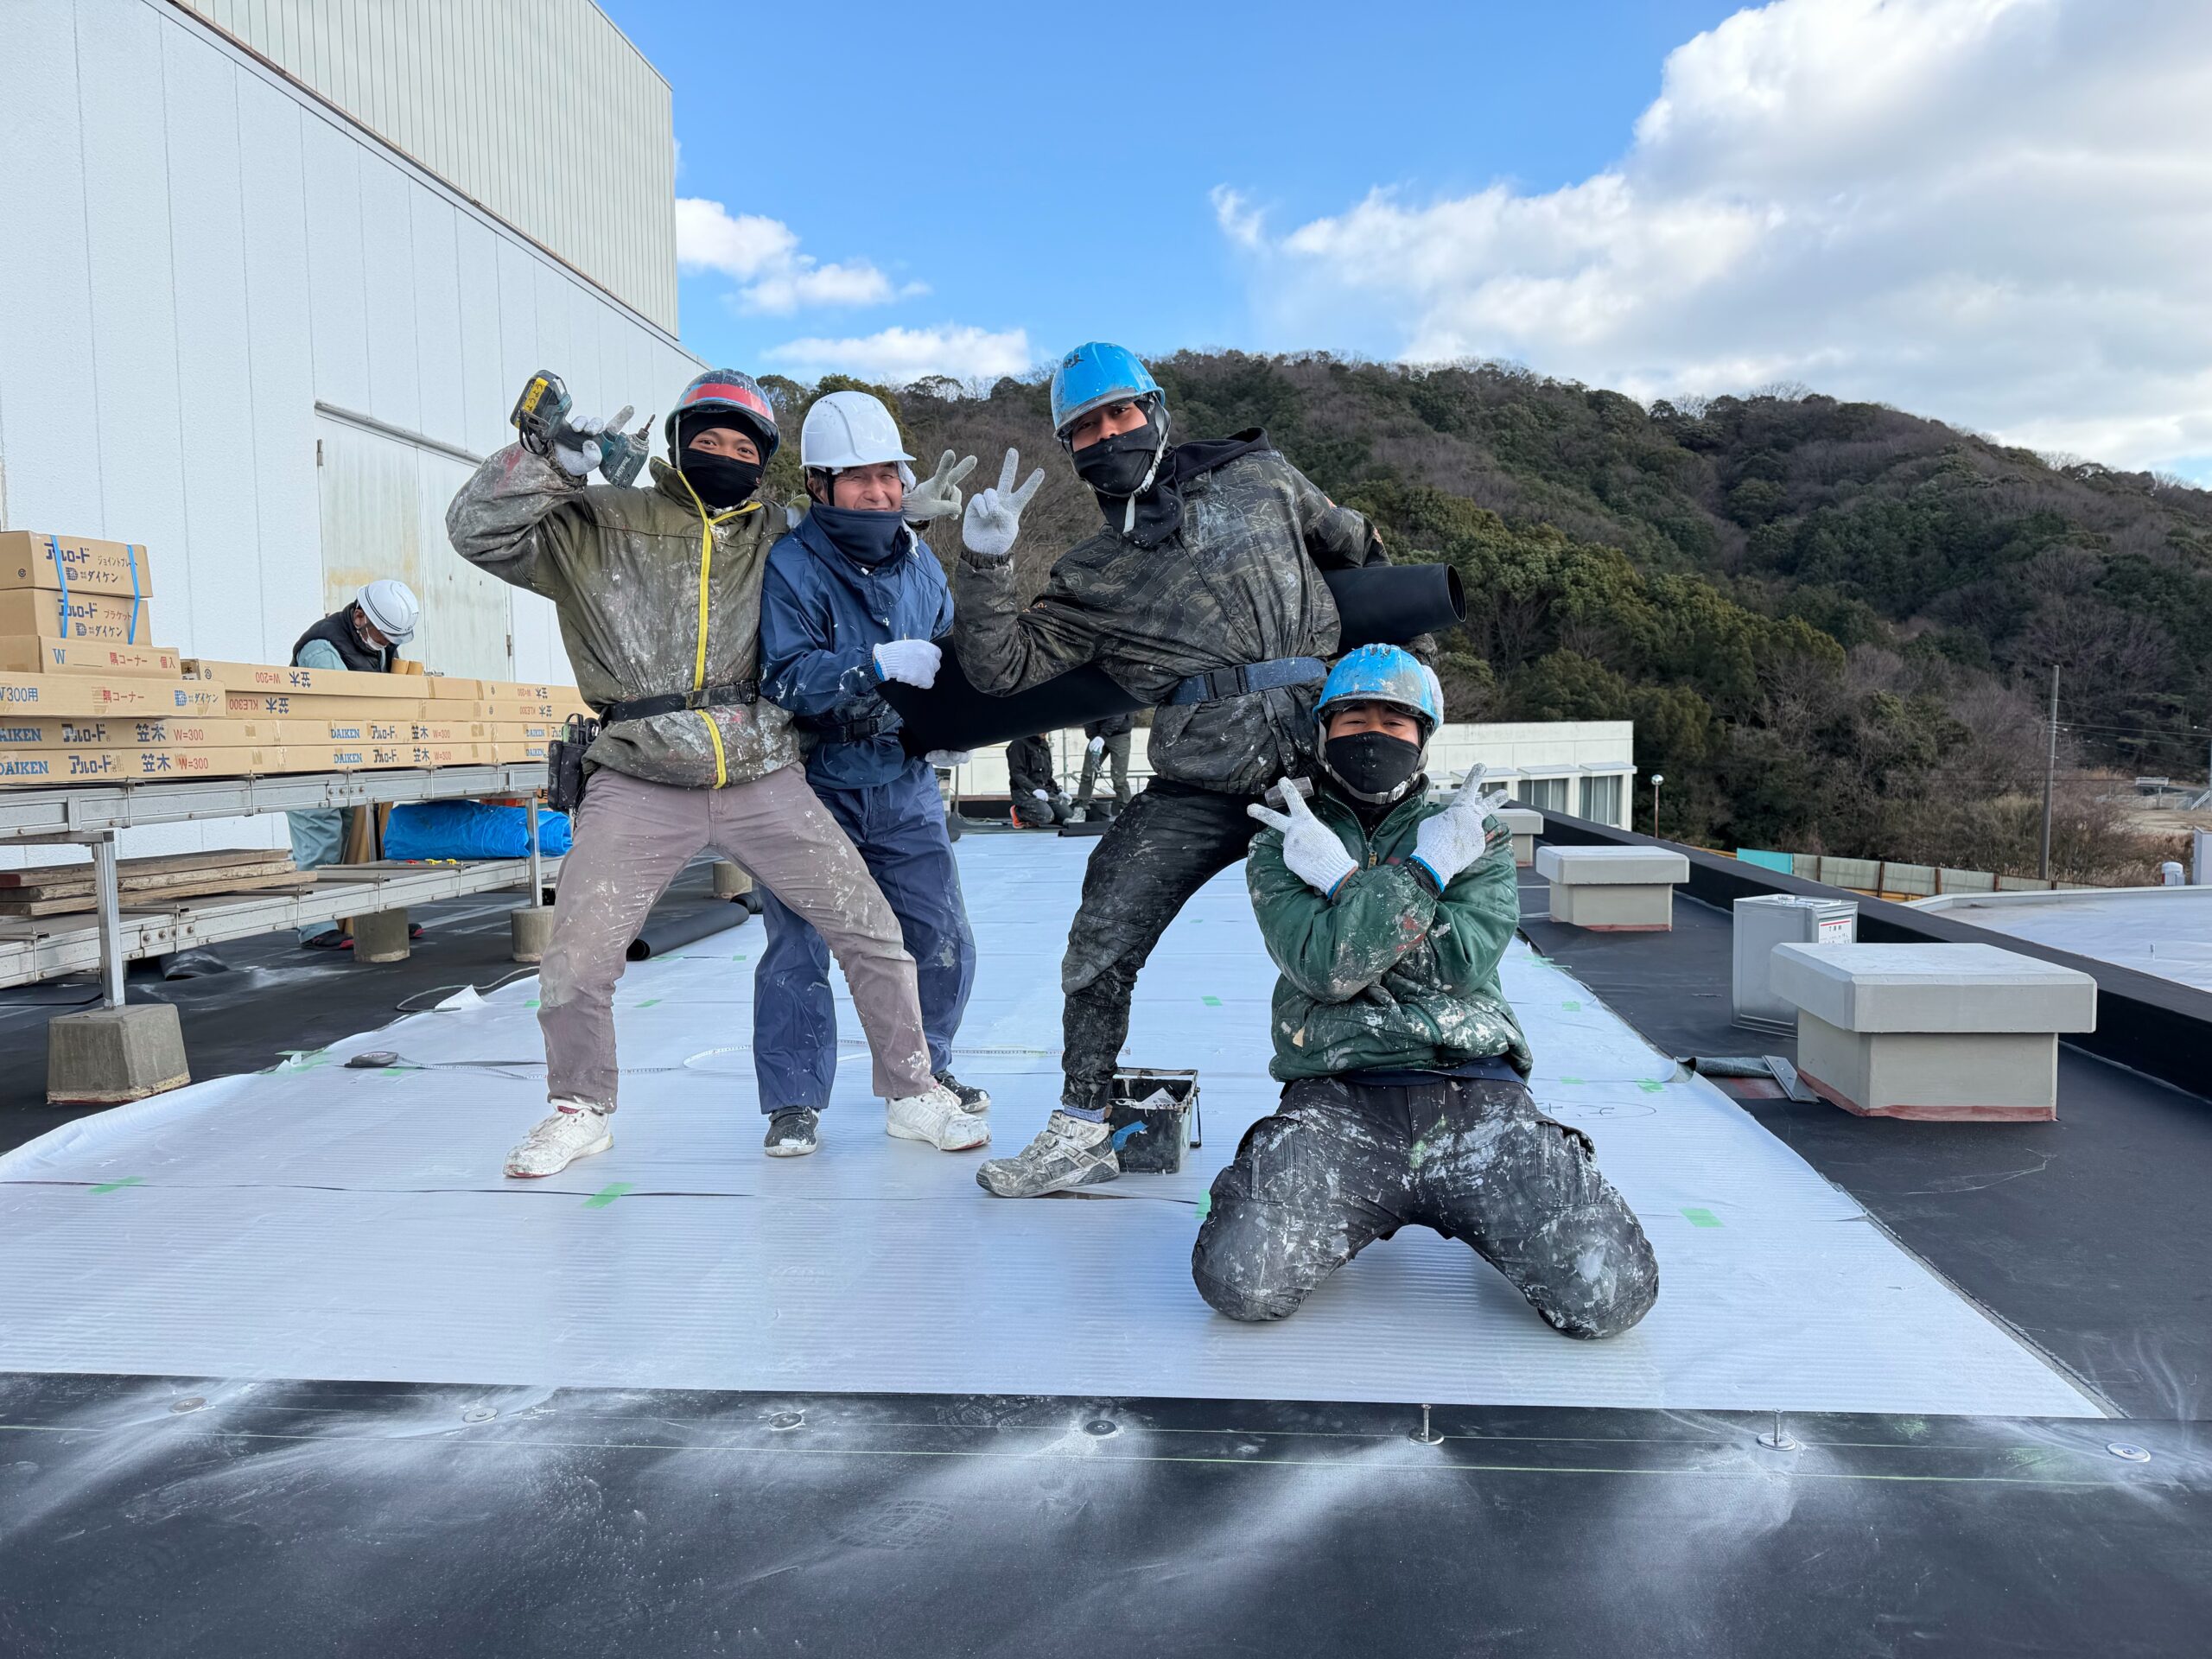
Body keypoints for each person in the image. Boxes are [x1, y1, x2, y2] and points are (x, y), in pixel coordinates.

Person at [448, 368, 978, 1178]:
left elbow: (845, 529)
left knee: (871, 931)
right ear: (678, 443)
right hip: (640, 767)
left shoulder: (772, 532)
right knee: (580, 954)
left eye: (742, 446)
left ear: (764, 462)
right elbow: (479, 533)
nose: (725, 455)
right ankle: (579, 1108)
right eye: (709, 440)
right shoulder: (600, 520)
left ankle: (913, 1090)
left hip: (760, 767)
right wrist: (545, 465)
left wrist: (905, 518)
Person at [951, 341, 1390, 1198]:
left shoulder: (1261, 478)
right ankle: (1083, 1125)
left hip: (1325, 766)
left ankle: (1404, 1106)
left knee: (1384, 924)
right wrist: (985, 565)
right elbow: (1000, 668)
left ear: (1154, 412)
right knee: (1102, 929)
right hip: (1201, 780)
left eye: (1120, 413)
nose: (1108, 435)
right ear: (1070, 448)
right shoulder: (1091, 573)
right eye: (1086, 428)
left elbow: (1354, 544)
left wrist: (1402, 680)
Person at [1193, 645, 1660, 1336]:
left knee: (1608, 1293)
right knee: (1240, 1278)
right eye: (1353, 719)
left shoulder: (1470, 832)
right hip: (1338, 1101)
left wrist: (1351, 885)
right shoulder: (1287, 837)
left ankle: (1499, 1199)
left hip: (1477, 1098)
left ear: (1422, 737)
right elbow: (1325, 969)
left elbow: (1458, 964)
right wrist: (1423, 883)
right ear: (1324, 730)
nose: (1372, 735)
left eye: (1394, 721)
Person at [753, 392, 989, 1158]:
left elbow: (950, 653)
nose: (880, 492)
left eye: (889, 475)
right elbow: (784, 676)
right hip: (811, 780)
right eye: (859, 478)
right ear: (819, 484)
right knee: (799, 946)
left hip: (902, 779)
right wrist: (872, 664)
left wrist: (951, 727)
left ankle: (923, 1074)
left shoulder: (921, 562)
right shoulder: (791, 564)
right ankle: (793, 1099)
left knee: (941, 935)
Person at [288, 579, 422, 949]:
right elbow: (338, 707)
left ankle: (363, 918)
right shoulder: (322, 647)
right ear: (360, 617)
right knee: (321, 838)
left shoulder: (380, 644)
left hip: (351, 758)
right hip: (311, 758)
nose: (386, 644)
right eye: (382, 636)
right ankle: (315, 925)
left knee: (361, 839)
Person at [1071, 714, 1135, 822]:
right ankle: (1081, 809)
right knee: (1088, 774)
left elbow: (1119, 713)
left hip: (1119, 735)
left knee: (1119, 778)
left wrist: (1102, 736)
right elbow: (1087, 714)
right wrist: (1093, 737)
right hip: (1097, 735)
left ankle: (1126, 813)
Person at [1003, 733, 1069, 828]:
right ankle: (1019, 813)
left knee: (1068, 817)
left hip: (1044, 791)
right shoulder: (1018, 744)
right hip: (1024, 791)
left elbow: (1047, 775)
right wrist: (1034, 790)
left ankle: (1045, 815)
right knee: (1045, 816)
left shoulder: (1043, 744)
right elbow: (1017, 773)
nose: (1045, 732)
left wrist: (1058, 791)